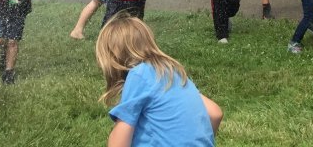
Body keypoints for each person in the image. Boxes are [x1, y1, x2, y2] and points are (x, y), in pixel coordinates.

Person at [95, 16, 222, 147]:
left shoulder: (139, 74)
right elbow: (215, 113)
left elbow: (119, 143)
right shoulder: (173, 71)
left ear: (112, 58)